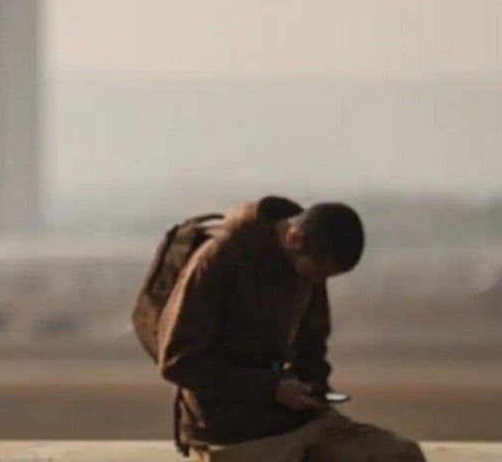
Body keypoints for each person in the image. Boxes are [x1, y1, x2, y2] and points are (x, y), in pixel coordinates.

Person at [158, 196, 425, 462]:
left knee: (401, 456)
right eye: (318, 274)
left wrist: (313, 388)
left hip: (293, 422)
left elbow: (312, 343)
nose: (318, 282)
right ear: (294, 239)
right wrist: (271, 389)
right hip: (226, 430)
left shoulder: (308, 265)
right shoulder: (221, 258)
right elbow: (178, 361)